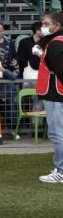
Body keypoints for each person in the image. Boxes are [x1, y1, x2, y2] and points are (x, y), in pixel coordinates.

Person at [36, 12, 63, 184]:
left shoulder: (55, 44)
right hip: (56, 93)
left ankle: (60, 170)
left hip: (55, 94)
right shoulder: (57, 43)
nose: (43, 26)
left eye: (46, 23)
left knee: (57, 134)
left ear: (56, 26)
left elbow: (60, 70)